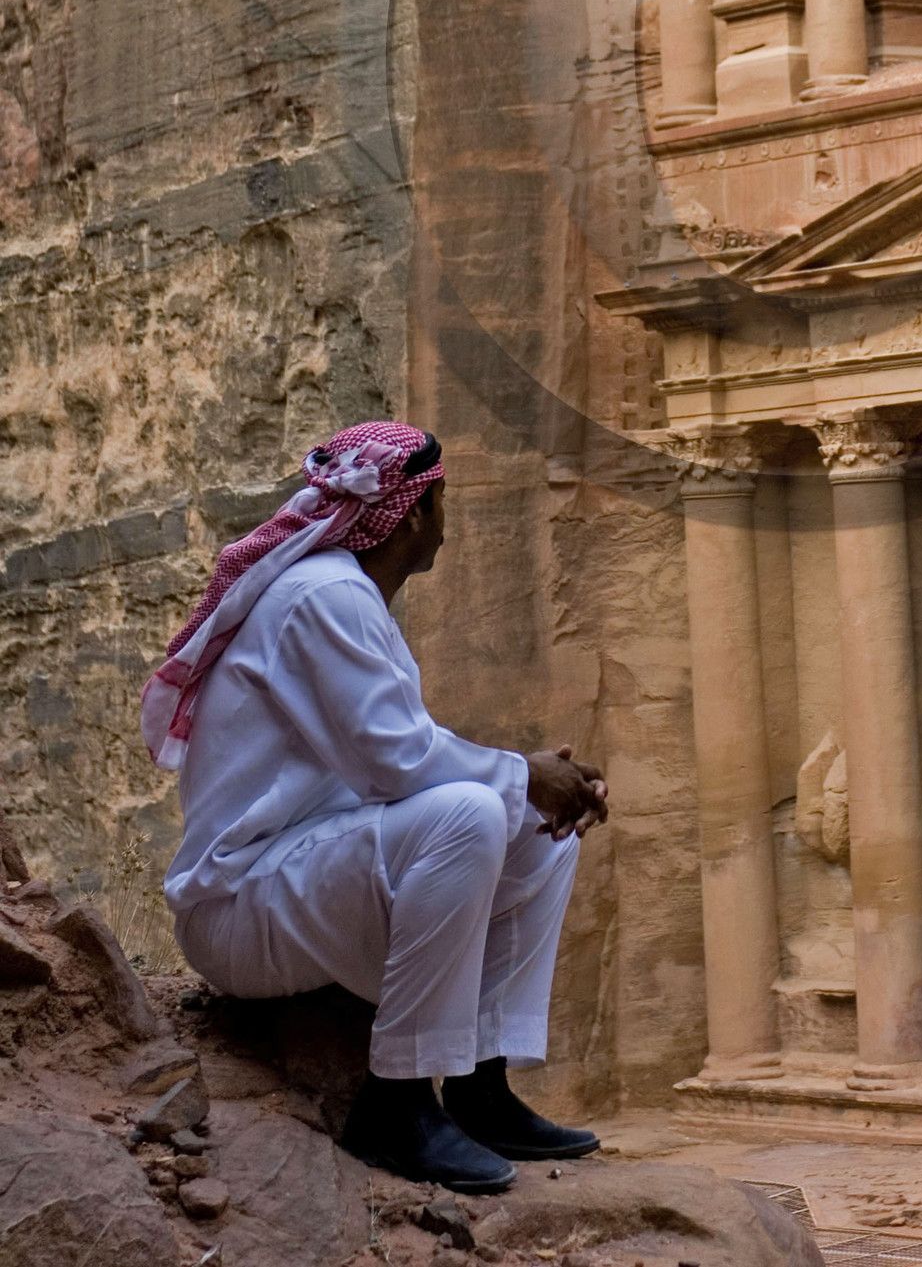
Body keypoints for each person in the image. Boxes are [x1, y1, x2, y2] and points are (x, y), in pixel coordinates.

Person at [143, 419, 608, 1195]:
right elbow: (399, 763)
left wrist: (531, 785)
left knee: (539, 826)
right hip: (238, 902)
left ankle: (477, 1086)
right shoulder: (323, 594)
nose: (446, 519)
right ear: (418, 512)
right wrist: (521, 772)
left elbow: (398, 757)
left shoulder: (348, 596)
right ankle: (396, 1104)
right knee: (475, 809)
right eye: (443, 501)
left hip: (306, 873)